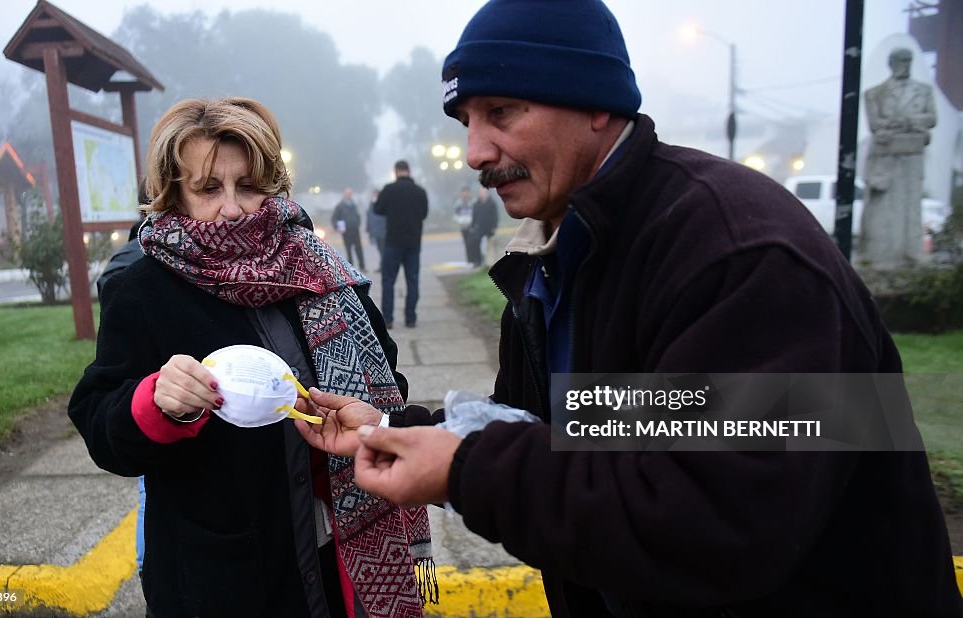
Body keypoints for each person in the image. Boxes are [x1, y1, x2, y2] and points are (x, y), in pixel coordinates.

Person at [295, 2, 962, 616]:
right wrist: (396, 426)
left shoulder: (743, 255)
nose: (475, 152)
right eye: (467, 121)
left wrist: (466, 471)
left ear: (596, 104)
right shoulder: (556, 257)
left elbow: (716, 521)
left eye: (502, 112)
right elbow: (592, 427)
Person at [69, 97, 434, 618]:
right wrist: (155, 403)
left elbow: (387, 380)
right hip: (225, 577)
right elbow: (101, 426)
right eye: (209, 188)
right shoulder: (143, 290)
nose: (234, 207)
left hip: (342, 560)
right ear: (174, 193)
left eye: (249, 185)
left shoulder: (321, 269)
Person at [860, 47, 938, 268]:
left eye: (908, 60)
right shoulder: (875, 93)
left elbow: (931, 118)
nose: (904, 64)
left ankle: (911, 250)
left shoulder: (923, 91)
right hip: (884, 156)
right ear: (891, 63)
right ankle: (879, 252)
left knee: (911, 203)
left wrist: (905, 120)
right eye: (900, 60)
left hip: (913, 154)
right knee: (881, 204)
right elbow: (876, 124)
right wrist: (910, 122)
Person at [373, 160, 427, 329]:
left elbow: (377, 209)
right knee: (413, 280)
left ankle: (388, 319)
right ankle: (410, 318)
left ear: (396, 172)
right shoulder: (420, 191)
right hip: (413, 242)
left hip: (393, 242)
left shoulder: (389, 190)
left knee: (388, 281)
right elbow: (424, 214)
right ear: (409, 171)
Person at [331, 187, 366, 271]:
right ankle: (351, 267)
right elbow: (334, 218)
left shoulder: (353, 204)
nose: (349, 195)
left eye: (350, 194)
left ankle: (362, 266)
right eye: (347, 194)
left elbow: (357, 216)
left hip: (355, 229)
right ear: (344, 194)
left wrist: (358, 223)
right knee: (348, 249)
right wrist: (337, 227)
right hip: (346, 231)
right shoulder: (340, 206)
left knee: (359, 248)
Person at [467, 187, 499, 267]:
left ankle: (490, 262)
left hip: (490, 228)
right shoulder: (476, 204)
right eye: (481, 193)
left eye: (484, 193)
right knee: (476, 243)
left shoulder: (492, 203)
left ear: (487, 194)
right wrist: (472, 226)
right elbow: (474, 216)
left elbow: (495, 216)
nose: (483, 194)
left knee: (490, 245)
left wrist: (494, 227)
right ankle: (478, 261)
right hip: (479, 228)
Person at [452, 185, 475, 263]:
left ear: (469, 193)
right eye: (463, 193)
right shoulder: (458, 203)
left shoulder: (473, 202)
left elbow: (476, 213)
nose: (465, 194)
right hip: (463, 227)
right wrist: (460, 220)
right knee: (467, 244)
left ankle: (474, 259)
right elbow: (455, 215)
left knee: (472, 243)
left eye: (466, 192)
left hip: (472, 227)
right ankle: (469, 260)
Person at [365, 189, 386, 272]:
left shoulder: (381, 204)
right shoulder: (371, 204)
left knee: (383, 250)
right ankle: (382, 266)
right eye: (373, 194)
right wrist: (368, 228)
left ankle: (383, 267)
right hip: (375, 231)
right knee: (380, 250)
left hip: (382, 231)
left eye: (375, 194)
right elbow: (369, 216)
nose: (373, 196)